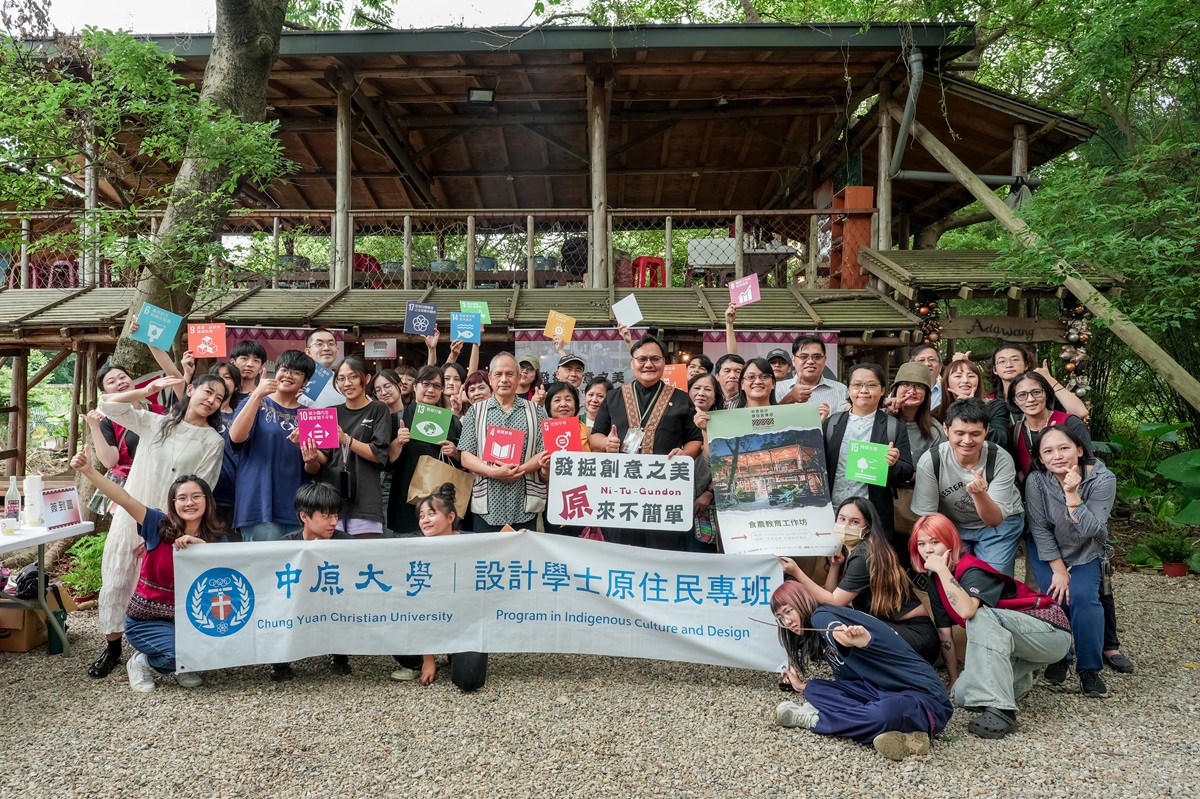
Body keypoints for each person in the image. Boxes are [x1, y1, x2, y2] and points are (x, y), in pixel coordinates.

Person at [87, 374, 226, 680]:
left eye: (218, 398)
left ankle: (154, 650)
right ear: (190, 390)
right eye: (208, 392)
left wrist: (161, 529)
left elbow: (205, 485)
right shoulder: (157, 422)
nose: (212, 400)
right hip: (131, 509)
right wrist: (145, 390)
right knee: (117, 577)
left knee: (161, 587)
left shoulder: (213, 440)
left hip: (171, 523)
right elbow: (108, 405)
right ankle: (112, 648)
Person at [71, 447, 225, 692]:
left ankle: (182, 662)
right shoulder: (157, 524)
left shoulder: (217, 538)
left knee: (216, 648)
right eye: (182, 498)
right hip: (147, 620)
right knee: (178, 652)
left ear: (207, 500)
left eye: (197, 496)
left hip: (190, 621)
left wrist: (202, 548)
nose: (190, 503)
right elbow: (125, 499)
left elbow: (225, 574)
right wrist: (88, 470)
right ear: (173, 504)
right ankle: (142, 662)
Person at [910, 513, 1072, 739]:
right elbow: (944, 631)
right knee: (963, 694)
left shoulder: (971, 568)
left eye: (935, 542)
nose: (928, 550)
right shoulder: (935, 582)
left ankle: (1003, 710)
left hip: (1051, 631)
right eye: (921, 544)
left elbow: (967, 611)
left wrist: (943, 570)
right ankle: (1020, 678)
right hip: (1018, 644)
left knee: (979, 616)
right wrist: (953, 678)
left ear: (950, 543)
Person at [770, 581, 953, 761]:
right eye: (780, 617)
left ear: (803, 600)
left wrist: (851, 639)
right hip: (881, 693)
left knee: (882, 714)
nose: (787, 622)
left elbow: (835, 630)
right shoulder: (819, 640)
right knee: (814, 689)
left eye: (789, 611)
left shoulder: (821, 615)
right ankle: (908, 738)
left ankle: (814, 720)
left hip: (925, 699)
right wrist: (801, 686)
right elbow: (849, 685)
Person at [781, 498, 939, 664]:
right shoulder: (856, 551)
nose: (845, 525)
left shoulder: (864, 556)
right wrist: (836, 566)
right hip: (903, 634)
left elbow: (834, 603)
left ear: (867, 528)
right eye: (842, 519)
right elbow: (830, 596)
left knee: (834, 617)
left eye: (854, 522)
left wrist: (797, 572)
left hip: (916, 637)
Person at [1024, 426, 1118, 696]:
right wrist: (1058, 570)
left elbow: (1093, 530)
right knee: (1057, 598)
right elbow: (1039, 528)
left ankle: (1089, 669)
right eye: (1048, 451)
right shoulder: (1037, 481)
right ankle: (1059, 656)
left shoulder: (1102, 478)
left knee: (1083, 599)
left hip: (1087, 550)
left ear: (1079, 450)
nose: (1057, 456)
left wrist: (1072, 493)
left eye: (1064, 448)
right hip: (1048, 551)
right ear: (1040, 458)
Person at [589, 335, 704, 549]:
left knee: (663, 551)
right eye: (641, 359)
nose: (648, 364)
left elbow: (696, 440)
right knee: (620, 550)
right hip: (620, 494)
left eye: (655, 359)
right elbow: (594, 437)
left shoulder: (681, 398)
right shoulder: (613, 397)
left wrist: (685, 455)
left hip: (665, 494)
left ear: (664, 363)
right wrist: (606, 444)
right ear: (632, 362)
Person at [390, 483, 488, 691]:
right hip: (427, 620)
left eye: (431, 514)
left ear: (450, 518)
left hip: (465, 626)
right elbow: (418, 607)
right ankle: (415, 662)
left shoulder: (474, 542)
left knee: (469, 681)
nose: (424, 520)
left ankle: (454, 653)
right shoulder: (415, 551)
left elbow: (504, 548)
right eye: (421, 515)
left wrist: (521, 538)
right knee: (390, 622)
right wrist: (428, 659)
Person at [910, 398, 1025, 576]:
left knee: (991, 581)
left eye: (975, 433)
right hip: (953, 524)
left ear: (986, 431)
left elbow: (994, 520)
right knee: (944, 576)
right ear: (946, 430)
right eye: (959, 433)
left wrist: (979, 494)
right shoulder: (931, 460)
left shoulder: (1000, 459)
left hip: (999, 525)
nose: (967, 440)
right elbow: (928, 518)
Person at [822, 363, 913, 549]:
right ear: (848, 390)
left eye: (871, 385)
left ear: (882, 390)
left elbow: (907, 471)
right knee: (831, 566)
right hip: (833, 513)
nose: (863, 390)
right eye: (857, 385)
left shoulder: (893, 427)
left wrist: (893, 464)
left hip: (872, 515)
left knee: (868, 570)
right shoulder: (832, 424)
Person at [228, 349, 315, 541]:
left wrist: (311, 457)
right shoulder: (254, 402)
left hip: (296, 504)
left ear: (306, 381)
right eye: (284, 369)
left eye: (297, 372)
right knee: (262, 567)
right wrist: (257, 395)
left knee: (293, 569)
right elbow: (236, 437)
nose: (288, 375)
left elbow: (316, 466)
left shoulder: (310, 415)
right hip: (259, 501)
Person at [458, 353, 549, 532]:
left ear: (518, 378)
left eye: (510, 374)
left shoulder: (537, 412)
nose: (504, 379)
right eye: (498, 374)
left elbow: (543, 451)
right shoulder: (476, 412)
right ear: (490, 379)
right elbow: (466, 456)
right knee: (486, 559)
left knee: (522, 559)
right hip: (487, 506)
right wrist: (494, 472)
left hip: (524, 505)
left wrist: (520, 470)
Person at [269, 482, 349, 682]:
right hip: (297, 604)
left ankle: (340, 656)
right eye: (326, 516)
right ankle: (280, 661)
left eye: (335, 515)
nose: (333, 522)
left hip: (334, 602)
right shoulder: (285, 545)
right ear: (304, 516)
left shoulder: (348, 543)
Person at [304, 356, 391, 538]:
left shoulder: (378, 409)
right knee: (331, 559)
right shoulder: (330, 412)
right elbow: (325, 458)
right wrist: (311, 453)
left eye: (353, 377)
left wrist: (347, 440)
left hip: (364, 498)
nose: (347, 383)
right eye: (341, 379)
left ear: (366, 379)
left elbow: (379, 454)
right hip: (331, 497)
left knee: (362, 558)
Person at [387, 365, 464, 537]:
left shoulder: (452, 421)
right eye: (426, 384)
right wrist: (398, 442)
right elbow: (386, 461)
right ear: (415, 386)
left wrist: (455, 453)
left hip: (442, 509)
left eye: (437, 386)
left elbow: (464, 462)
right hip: (405, 506)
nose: (431, 390)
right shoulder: (397, 419)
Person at [84, 363, 165, 518]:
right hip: (131, 486)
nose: (120, 382)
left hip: (160, 480)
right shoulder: (108, 422)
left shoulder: (158, 412)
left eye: (122, 377)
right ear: (104, 393)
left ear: (131, 380)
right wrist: (95, 428)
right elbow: (110, 462)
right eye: (112, 382)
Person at [1007, 370, 1091, 481]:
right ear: (1015, 401)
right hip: (1033, 496)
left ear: (1046, 394)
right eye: (1022, 395)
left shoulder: (1070, 423)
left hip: (1074, 491)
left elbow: (1089, 466)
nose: (1030, 399)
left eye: (1036, 392)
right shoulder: (1014, 432)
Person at [988, 343, 1088, 427]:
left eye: (1015, 359)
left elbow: (1081, 412)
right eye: (1002, 361)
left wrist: (1050, 380)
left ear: (1026, 365)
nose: (1008, 365)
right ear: (995, 370)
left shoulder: (1043, 395)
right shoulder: (988, 401)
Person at [934, 358, 1009, 448]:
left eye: (971, 376)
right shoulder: (936, 413)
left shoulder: (996, 406)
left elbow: (1000, 440)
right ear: (947, 381)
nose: (965, 380)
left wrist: (972, 406)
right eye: (958, 376)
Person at [889, 361, 946, 468]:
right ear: (895, 389)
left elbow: (938, 470)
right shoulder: (878, 417)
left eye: (919, 386)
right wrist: (882, 402)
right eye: (905, 385)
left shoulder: (935, 431)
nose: (912, 391)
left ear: (927, 394)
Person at [207, 362, 243, 530]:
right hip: (206, 493)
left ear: (236, 386)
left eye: (227, 377)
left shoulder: (242, 415)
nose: (221, 380)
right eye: (217, 375)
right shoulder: (202, 413)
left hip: (236, 493)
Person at [776, 335, 849, 413]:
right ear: (793, 360)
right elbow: (768, 421)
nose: (810, 361)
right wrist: (790, 398)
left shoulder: (841, 390)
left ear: (824, 360)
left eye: (817, 357)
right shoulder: (777, 389)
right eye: (804, 356)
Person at [300, 327, 345, 409]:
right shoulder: (299, 381)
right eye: (319, 344)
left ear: (337, 350)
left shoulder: (344, 382)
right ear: (308, 352)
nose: (326, 348)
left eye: (331, 344)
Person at [910, 345, 944, 410]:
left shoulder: (947, 394)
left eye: (932, 360)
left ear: (940, 367)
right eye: (921, 360)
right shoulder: (901, 392)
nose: (927, 364)